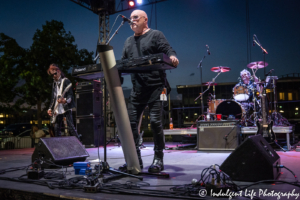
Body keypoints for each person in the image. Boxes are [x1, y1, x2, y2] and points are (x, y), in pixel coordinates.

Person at [121, 10, 179, 173]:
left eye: (136, 18)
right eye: (131, 18)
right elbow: (123, 63)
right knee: (130, 124)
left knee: (155, 122)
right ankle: (135, 160)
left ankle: (158, 158)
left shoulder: (155, 35)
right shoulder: (128, 41)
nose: (132, 21)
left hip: (156, 87)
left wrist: (173, 57)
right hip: (138, 90)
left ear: (145, 20)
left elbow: (168, 50)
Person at [47, 64, 80, 140]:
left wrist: (64, 100)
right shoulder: (54, 84)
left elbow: (70, 95)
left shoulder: (66, 81)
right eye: (52, 75)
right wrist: (49, 108)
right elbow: (53, 98)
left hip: (66, 106)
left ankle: (79, 143)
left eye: (55, 74)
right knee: (56, 128)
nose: (54, 76)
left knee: (70, 126)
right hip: (57, 108)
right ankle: (58, 145)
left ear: (58, 71)